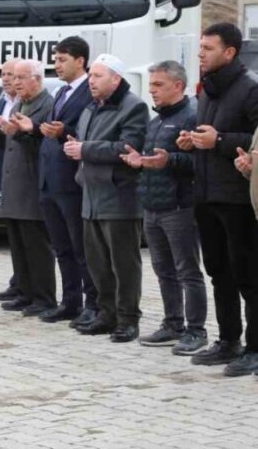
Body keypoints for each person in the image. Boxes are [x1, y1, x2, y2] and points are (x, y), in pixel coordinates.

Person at [180, 22, 258, 374]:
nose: (201, 54)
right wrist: (192, 141)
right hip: (207, 195)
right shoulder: (207, 90)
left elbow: (253, 139)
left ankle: (255, 348)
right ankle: (229, 340)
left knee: (248, 275)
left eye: (208, 48)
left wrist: (220, 142)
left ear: (230, 52)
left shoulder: (250, 89)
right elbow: (209, 135)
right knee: (219, 273)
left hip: (239, 199)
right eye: (200, 48)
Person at [118, 61, 206, 354]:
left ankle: (196, 330)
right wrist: (139, 162)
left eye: (158, 85)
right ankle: (172, 324)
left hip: (179, 207)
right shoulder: (155, 123)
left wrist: (169, 160)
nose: (152, 90)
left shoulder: (191, 118)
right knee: (163, 270)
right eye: (151, 85)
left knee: (187, 271)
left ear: (178, 86)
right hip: (152, 207)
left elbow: (199, 164)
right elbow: (153, 160)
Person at [64, 54, 148, 342]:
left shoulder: (134, 107)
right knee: (97, 263)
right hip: (91, 196)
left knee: (124, 264)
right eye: (90, 76)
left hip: (119, 197)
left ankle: (128, 319)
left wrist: (85, 149)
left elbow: (127, 147)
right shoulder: (90, 108)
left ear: (116, 78)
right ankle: (106, 314)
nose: (91, 81)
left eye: (98, 76)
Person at [0, 60, 56, 315]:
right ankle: (24, 291)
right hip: (13, 184)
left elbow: (42, 146)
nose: (16, 82)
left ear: (38, 79)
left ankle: (43, 298)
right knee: (19, 245)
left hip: (32, 185)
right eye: (14, 77)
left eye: (22, 78)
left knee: (36, 246)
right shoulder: (21, 103)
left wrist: (19, 132)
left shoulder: (47, 105)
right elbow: (11, 141)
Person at [37, 36, 96, 326]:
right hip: (49, 179)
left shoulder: (90, 92)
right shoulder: (60, 92)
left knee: (79, 246)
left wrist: (63, 131)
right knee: (60, 246)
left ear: (80, 61)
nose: (56, 65)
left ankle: (91, 303)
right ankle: (70, 301)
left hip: (71, 181)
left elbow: (84, 130)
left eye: (62, 60)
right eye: (55, 59)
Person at [0, 59, 21, 303]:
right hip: (4, 174)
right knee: (13, 233)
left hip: (23, 179)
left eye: (11, 74)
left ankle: (26, 285)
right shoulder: (2, 102)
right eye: (3, 74)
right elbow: (3, 142)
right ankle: (17, 281)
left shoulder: (25, 104)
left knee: (27, 235)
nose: (6, 78)